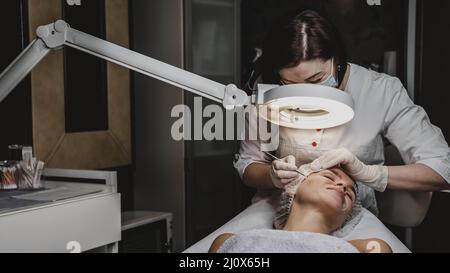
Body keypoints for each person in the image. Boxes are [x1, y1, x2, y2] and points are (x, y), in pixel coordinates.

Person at [234, 9, 450, 211]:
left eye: (316, 79)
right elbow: (248, 163)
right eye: (289, 84)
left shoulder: (380, 90)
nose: (307, 96)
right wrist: (271, 176)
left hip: (348, 217)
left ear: (336, 59)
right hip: (275, 211)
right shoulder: (269, 90)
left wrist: (372, 174)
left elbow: (443, 170)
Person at [209, 167, 392, 253]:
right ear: (293, 188)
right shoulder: (228, 242)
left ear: (344, 220)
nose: (342, 185)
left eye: (350, 193)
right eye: (329, 176)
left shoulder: (371, 249)